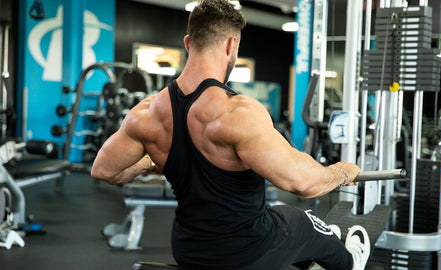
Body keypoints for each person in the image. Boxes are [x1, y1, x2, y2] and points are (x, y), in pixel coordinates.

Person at [91, 0, 370, 269]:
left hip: (188, 250)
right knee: (303, 223)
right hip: (246, 254)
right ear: (231, 45)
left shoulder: (146, 113)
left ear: (188, 43)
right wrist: (342, 172)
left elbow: (104, 171)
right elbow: (303, 183)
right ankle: (351, 262)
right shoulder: (237, 113)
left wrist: (154, 161)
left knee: (282, 221)